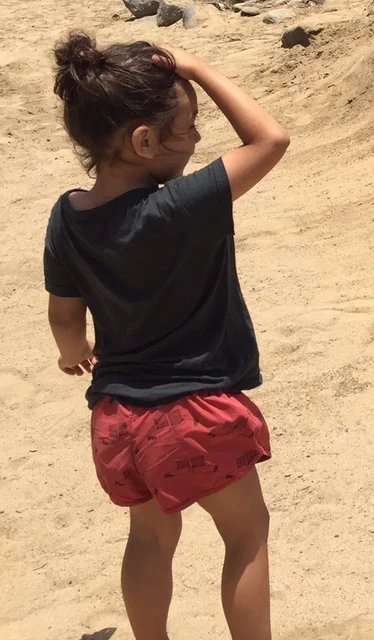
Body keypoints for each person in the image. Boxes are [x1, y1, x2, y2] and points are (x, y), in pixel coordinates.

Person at [43, 32, 289, 640]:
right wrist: (198, 67)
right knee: (246, 534)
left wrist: (73, 355)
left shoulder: (67, 216)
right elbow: (270, 138)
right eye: (191, 125)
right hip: (195, 413)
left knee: (150, 537)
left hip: (118, 417)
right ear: (145, 141)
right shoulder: (181, 205)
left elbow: (65, 319)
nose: (200, 138)